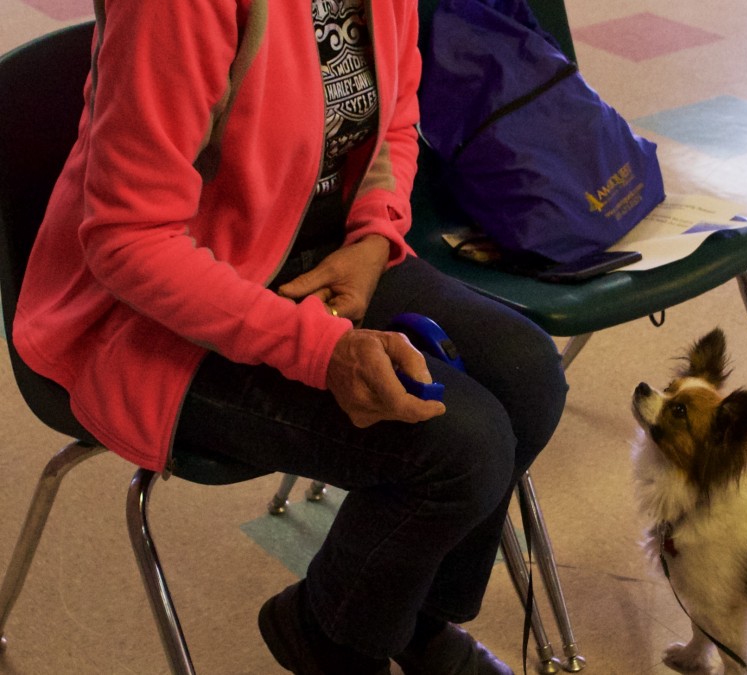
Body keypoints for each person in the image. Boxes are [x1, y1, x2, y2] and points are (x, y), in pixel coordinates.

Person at [12, 1, 568, 674]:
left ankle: (407, 620)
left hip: (316, 243)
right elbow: (129, 241)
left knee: (528, 373)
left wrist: (375, 233)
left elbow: (395, 110)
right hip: (152, 309)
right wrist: (319, 350)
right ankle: (333, 640)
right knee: (462, 449)